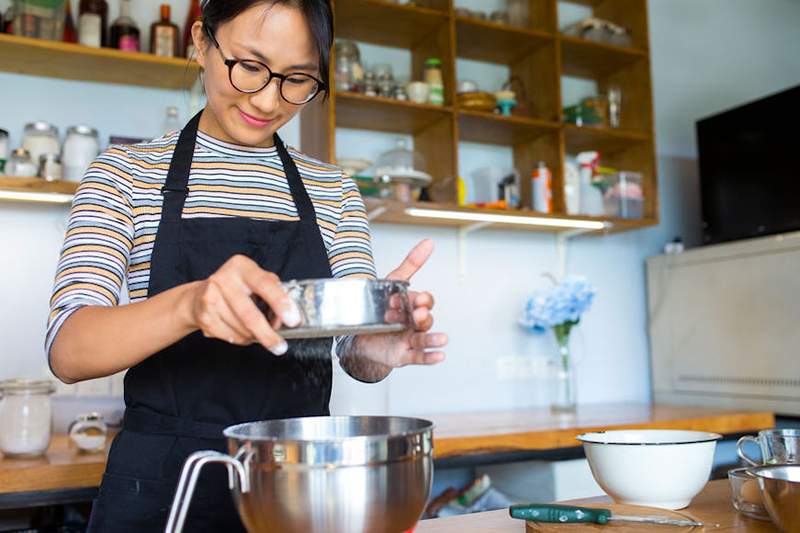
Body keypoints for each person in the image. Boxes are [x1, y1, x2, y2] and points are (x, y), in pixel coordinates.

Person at [46, 1, 447, 530]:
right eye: (250, 66)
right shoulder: (125, 174)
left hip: (300, 485)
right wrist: (191, 304)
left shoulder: (333, 191)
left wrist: (380, 343)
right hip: (164, 487)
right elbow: (68, 349)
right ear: (201, 42)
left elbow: (355, 354)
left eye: (297, 79)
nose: (268, 98)